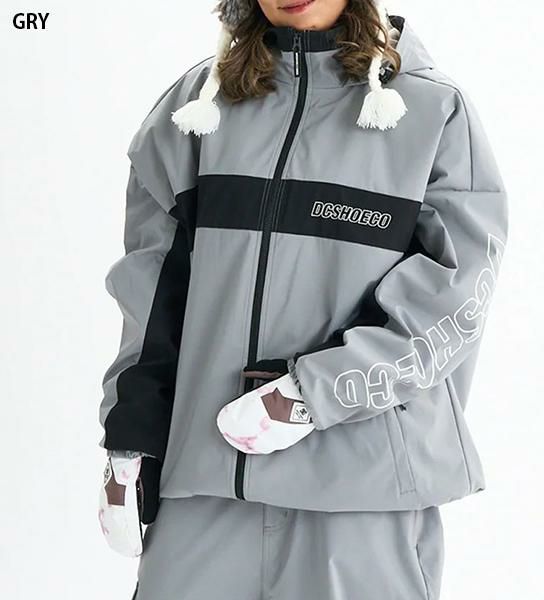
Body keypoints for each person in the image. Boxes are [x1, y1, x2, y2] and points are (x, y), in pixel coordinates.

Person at [97, 1, 509, 598]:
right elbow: (153, 287)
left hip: (360, 491)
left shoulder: (432, 111)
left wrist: (313, 393)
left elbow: (456, 296)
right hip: (205, 481)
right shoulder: (196, 109)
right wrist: (132, 431)